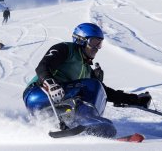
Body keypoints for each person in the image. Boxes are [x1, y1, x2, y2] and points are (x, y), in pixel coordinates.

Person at [23, 23, 151, 108]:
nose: (96, 48)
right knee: (93, 85)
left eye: (99, 44)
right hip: (38, 92)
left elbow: (105, 93)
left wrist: (134, 99)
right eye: (93, 43)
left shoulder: (87, 69)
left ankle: (76, 125)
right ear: (81, 40)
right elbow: (43, 66)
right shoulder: (66, 49)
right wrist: (50, 83)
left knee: (97, 87)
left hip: (58, 101)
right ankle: (88, 121)